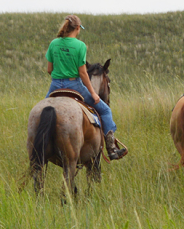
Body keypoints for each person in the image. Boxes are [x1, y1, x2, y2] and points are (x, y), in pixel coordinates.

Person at [44, 14, 128, 159]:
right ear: (77, 28)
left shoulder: (54, 43)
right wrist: (93, 93)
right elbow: (83, 73)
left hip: (55, 85)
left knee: (42, 113)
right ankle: (111, 148)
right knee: (105, 110)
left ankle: (39, 147)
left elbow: (49, 70)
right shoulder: (80, 45)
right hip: (74, 85)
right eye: (79, 29)